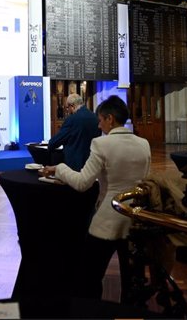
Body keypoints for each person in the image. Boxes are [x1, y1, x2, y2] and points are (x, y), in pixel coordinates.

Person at [40, 95, 150, 299]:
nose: (98, 125)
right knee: (131, 278)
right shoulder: (144, 144)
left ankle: (92, 312)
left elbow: (83, 183)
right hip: (136, 218)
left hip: (108, 218)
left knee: (88, 277)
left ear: (109, 119)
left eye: (100, 120)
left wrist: (60, 169)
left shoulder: (101, 144)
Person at [47, 93, 101, 171]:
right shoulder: (95, 118)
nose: (67, 111)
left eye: (67, 107)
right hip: (92, 165)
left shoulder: (72, 120)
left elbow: (56, 141)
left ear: (72, 106)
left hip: (75, 166)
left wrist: (50, 144)